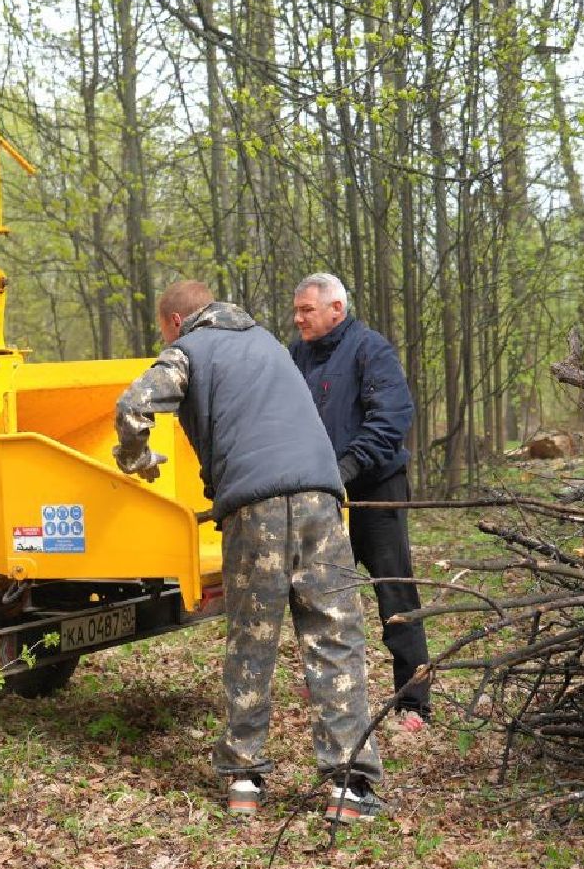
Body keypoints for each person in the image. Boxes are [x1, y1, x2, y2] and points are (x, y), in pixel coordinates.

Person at [112, 280, 383, 822]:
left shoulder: (187, 352)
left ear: (173, 321)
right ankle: (350, 787)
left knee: (253, 642)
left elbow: (134, 406)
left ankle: (243, 780)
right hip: (321, 496)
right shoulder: (271, 345)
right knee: (336, 637)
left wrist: (135, 460)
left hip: (254, 506)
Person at [289, 272, 432, 728]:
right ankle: (328, 683)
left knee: (394, 589)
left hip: (374, 488)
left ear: (337, 308)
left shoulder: (371, 349)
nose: (297, 319)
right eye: (295, 311)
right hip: (320, 492)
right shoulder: (295, 358)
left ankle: (412, 701)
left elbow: (391, 419)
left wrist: (348, 468)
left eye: (306, 310)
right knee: (320, 590)